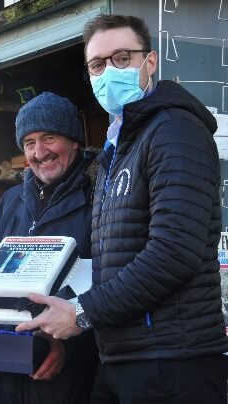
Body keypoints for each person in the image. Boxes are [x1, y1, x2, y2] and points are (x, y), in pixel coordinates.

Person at [17, 14, 228, 403]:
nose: (108, 72)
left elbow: (173, 253)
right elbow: (115, 255)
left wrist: (81, 313)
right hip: (123, 357)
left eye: (122, 58)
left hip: (172, 361)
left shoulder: (174, 131)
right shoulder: (118, 148)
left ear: (150, 63)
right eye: (97, 65)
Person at [0, 92, 100, 403]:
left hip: (67, 381)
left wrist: (67, 349)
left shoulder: (99, 198)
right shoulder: (11, 201)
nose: (39, 152)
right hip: (2, 379)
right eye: (29, 143)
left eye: (49, 138)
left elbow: (111, 292)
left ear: (75, 141)